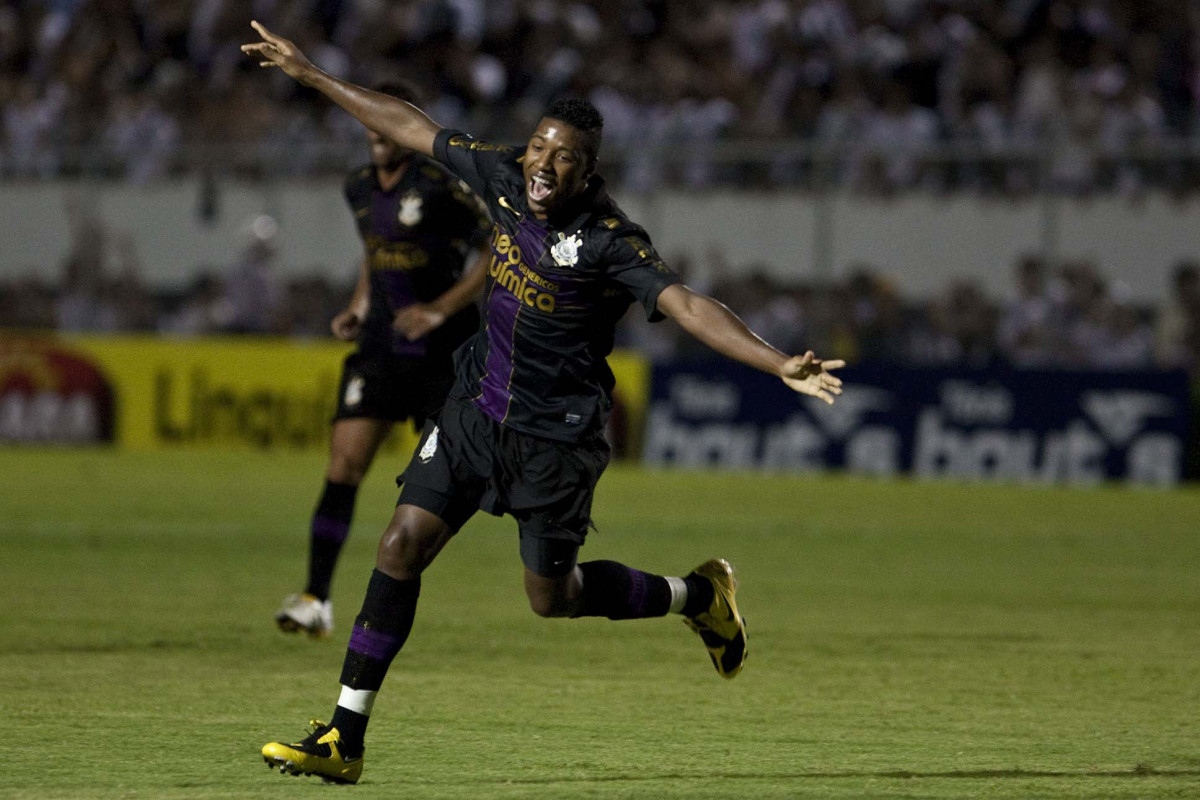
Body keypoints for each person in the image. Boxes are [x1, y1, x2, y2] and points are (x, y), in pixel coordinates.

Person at [243, 21, 844, 785]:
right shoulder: (501, 178)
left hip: (554, 438)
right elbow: (411, 126)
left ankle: (697, 594)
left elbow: (687, 304)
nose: (542, 164)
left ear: (588, 170)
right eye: (538, 147)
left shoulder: (610, 241)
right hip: (473, 409)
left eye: (563, 156)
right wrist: (312, 75)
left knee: (551, 598)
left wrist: (775, 362)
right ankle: (344, 738)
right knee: (399, 546)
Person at [274, 82, 491, 639]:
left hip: (441, 352)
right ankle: (315, 597)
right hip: (380, 345)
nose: (375, 131)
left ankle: (407, 592)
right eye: (368, 121)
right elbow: (376, 254)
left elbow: (495, 251)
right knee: (344, 464)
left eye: (387, 122)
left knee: (440, 484)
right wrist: (357, 305)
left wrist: (440, 311)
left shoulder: (441, 186)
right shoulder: (358, 189)